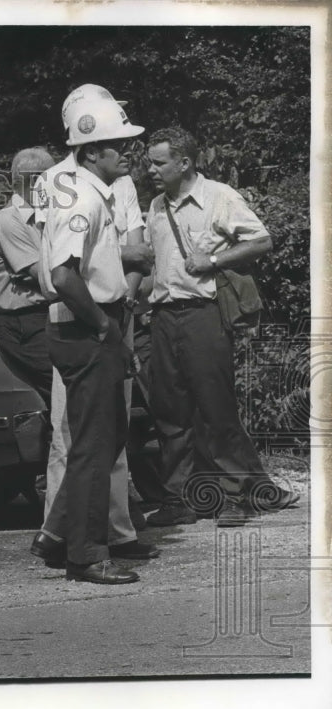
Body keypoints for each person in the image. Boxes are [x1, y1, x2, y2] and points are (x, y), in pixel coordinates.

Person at [30, 85, 159, 570]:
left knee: (100, 439)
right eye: (117, 146)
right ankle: (86, 553)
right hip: (86, 329)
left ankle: (65, 537)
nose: (125, 154)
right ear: (92, 151)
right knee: (91, 445)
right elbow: (63, 275)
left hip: (93, 326)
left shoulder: (93, 192)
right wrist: (104, 325)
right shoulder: (82, 200)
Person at [143, 126, 298, 526]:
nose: (150, 170)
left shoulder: (219, 197)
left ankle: (233, 496)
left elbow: (261, 240)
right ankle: (179, 499)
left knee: (216, 409)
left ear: (185, 162)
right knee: (171, 414)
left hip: (203, 314)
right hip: (163, 316)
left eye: (158, 163)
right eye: (149, 163)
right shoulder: (157, 206)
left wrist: (213, 261)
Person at [0, 147, 56, 411]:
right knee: (64, 389)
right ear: (36, 181)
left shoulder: (40, 218)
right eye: (53, 177)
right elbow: (48, 276)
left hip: (38, 319)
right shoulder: (9, 222)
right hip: (25, 323)